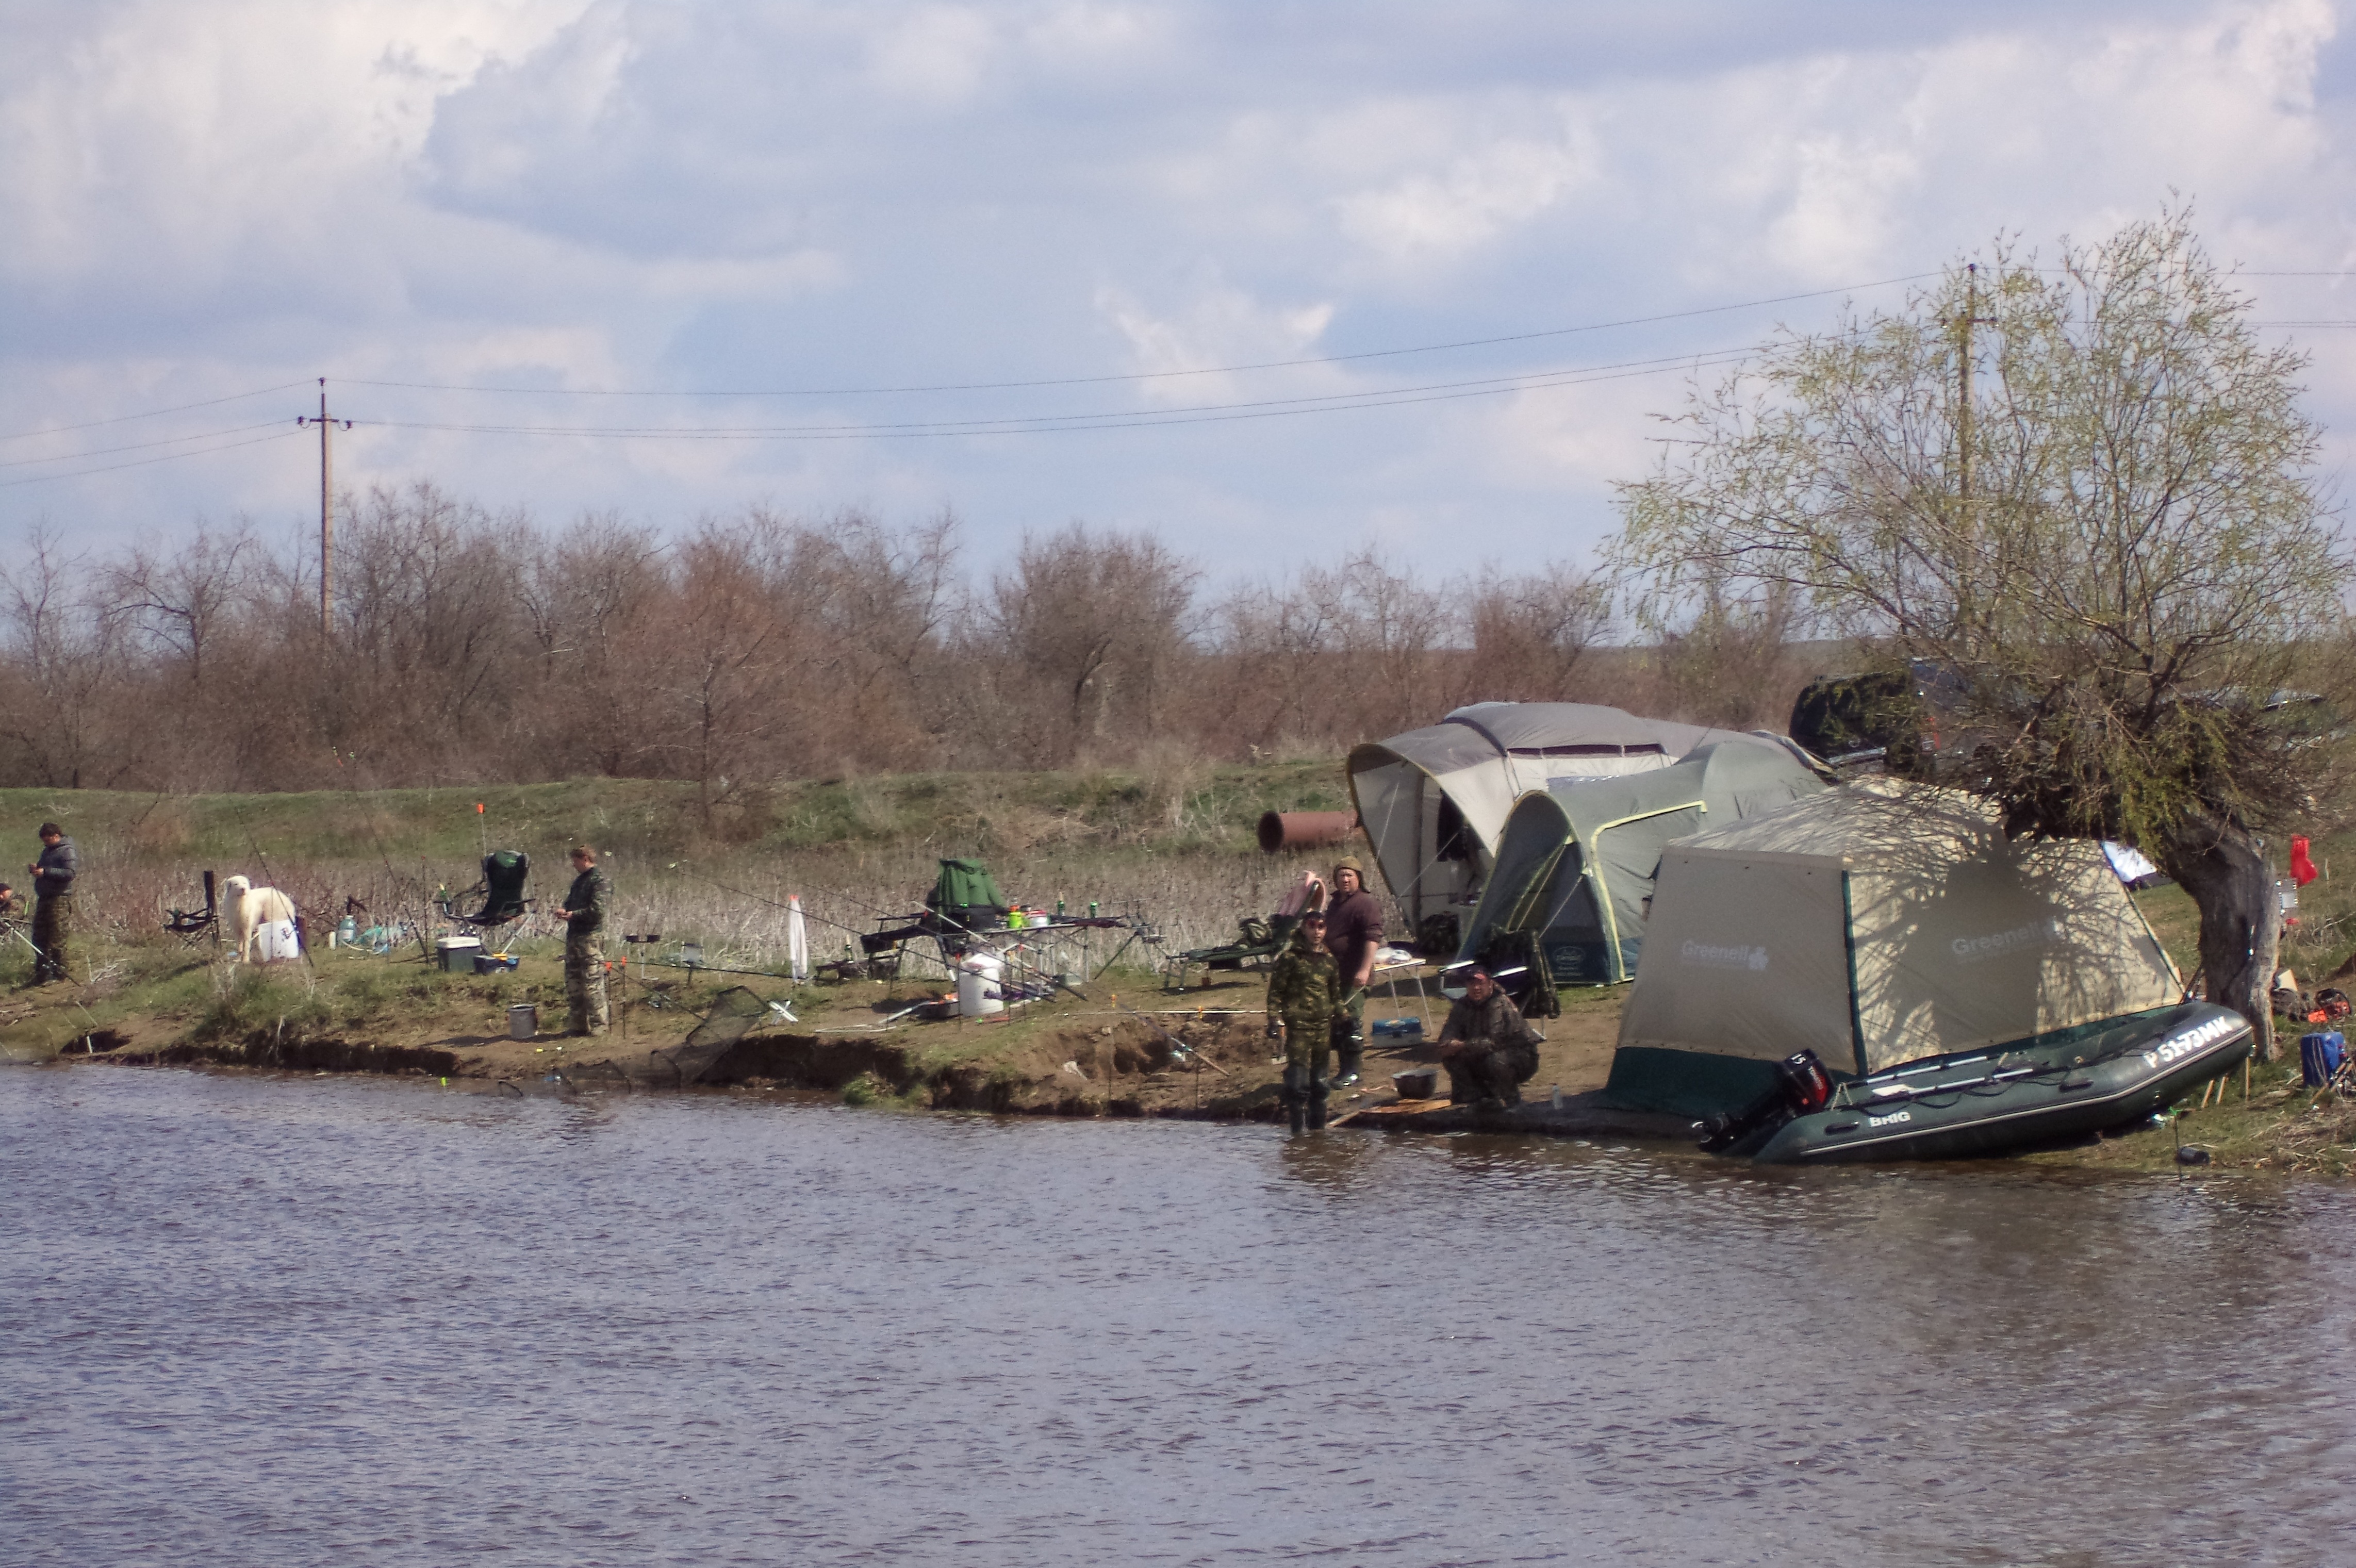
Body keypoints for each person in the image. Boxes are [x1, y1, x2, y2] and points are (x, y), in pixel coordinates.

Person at [1265, 909, 1348, 1132]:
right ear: (1303, 928)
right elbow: (1275, 993)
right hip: (1298, 1027)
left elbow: (1335, 995)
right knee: (1298, 1085)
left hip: (1323, 1027)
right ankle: (1297, 1137)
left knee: (1320, 1085)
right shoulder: (1290, 959)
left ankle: (1317, 1135)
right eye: (1312, 926)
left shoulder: (1330, 961)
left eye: (1321, 927)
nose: (1317, 932)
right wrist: (1274, 1019)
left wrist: (1344, 1017)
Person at [1436, 966, 1543, 1110]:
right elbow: (1448, 1033)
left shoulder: (1499, 1003)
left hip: (1520, 1057)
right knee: (1452, 1059)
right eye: (1472, 984)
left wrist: (1461, 1046)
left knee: (1495, 1060)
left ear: (1490, 984)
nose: (1476, 988)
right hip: (1482, 1051)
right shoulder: (1462, 1006)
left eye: (1480, 983)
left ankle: (1513, 1100)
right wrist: (1447, 1045)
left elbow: (1493, 1042)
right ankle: (1480, 1098)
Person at [1321, 855, 1384, 1087]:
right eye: (1341, 875)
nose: (1345, 879)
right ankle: (1338, 1071)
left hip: (1356, 976)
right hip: (1334, 976)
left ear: (1359, 878)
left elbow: (1373, 938)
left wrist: (1365, 970)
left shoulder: (1366, 903)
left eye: (1349, 875)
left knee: (1351, 1023)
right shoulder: (1335, 904)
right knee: (1335, 1024)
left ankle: (1353, 1073)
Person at [553, 845, 612, 1037]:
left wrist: (573, 915)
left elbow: (597, 911)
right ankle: (578, 1026)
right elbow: (570, 903)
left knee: (593, 983)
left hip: (590, 938)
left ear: (585, 858)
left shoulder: (600, 881)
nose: (573, 865)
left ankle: (600, 1026)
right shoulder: (578, 882)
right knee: (574, 984)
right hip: (574, 938)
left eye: (575, 861)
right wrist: (564, 911)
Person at [27, 823, 76, 985]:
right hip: (44, 897)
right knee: (39, 936)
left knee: (57, 936)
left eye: (47, 840)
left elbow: (70, 873)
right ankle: (42, 972)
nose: (45, 844)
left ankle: (59, 973)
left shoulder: (67, 850)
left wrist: (46, 872)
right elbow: (46, 869)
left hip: (59, 899)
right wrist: (37, 870)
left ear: (56, 836)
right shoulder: (47, 851)